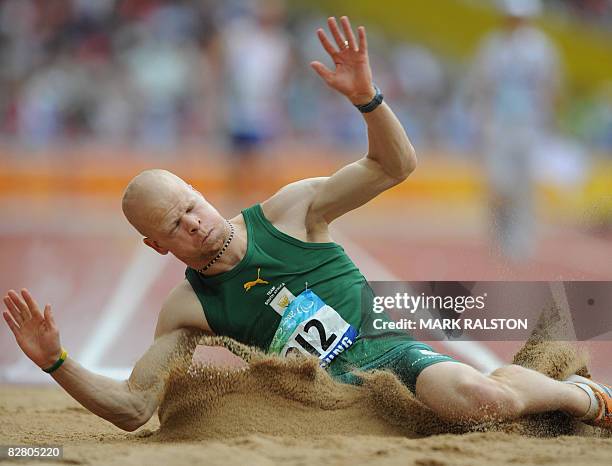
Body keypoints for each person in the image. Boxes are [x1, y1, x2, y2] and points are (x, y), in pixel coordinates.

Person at [3, 16, 611, 432]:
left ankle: (585, 397)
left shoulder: (290, 211)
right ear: (155, 245)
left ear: (200, 192)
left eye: (192, 205)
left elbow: (394, 166)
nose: (193, 223)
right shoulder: (189, 310)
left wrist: (367, 99)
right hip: (338, 408)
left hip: (397, 358)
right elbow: (135, 408)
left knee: (481, 399)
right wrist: (57, 363)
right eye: (175, 225)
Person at [469, 0, 561, 261]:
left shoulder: (543, 48)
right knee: (498, 183)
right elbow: (481, 86)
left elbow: (551, 86)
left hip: (530, 125)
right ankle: (498, 234)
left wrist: (548, 122)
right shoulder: (491, 46)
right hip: (497, 125)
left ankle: (522, 241)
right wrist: (480, 122)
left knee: (526, 185)